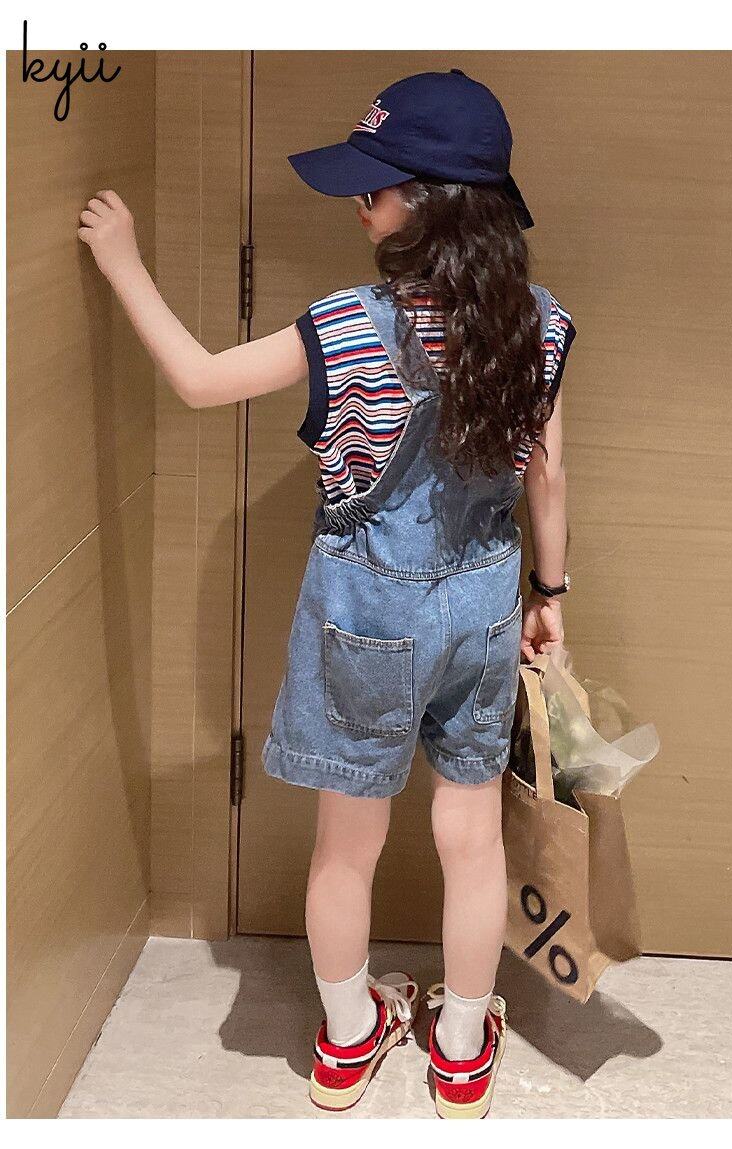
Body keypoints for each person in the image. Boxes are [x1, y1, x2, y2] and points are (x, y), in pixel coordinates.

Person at [78, 67, 574, 1120]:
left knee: (347, 846)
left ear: (426, 205)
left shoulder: (345, 325)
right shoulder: (539, 324)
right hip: (485, 603)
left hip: (365, 613)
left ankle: (349, 1041)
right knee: (472, 838)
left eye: (373, 187)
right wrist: (550, 593)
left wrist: (122, 261)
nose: (359, 204)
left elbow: (200, 380)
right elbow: (548, 475)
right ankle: (460, 1054)